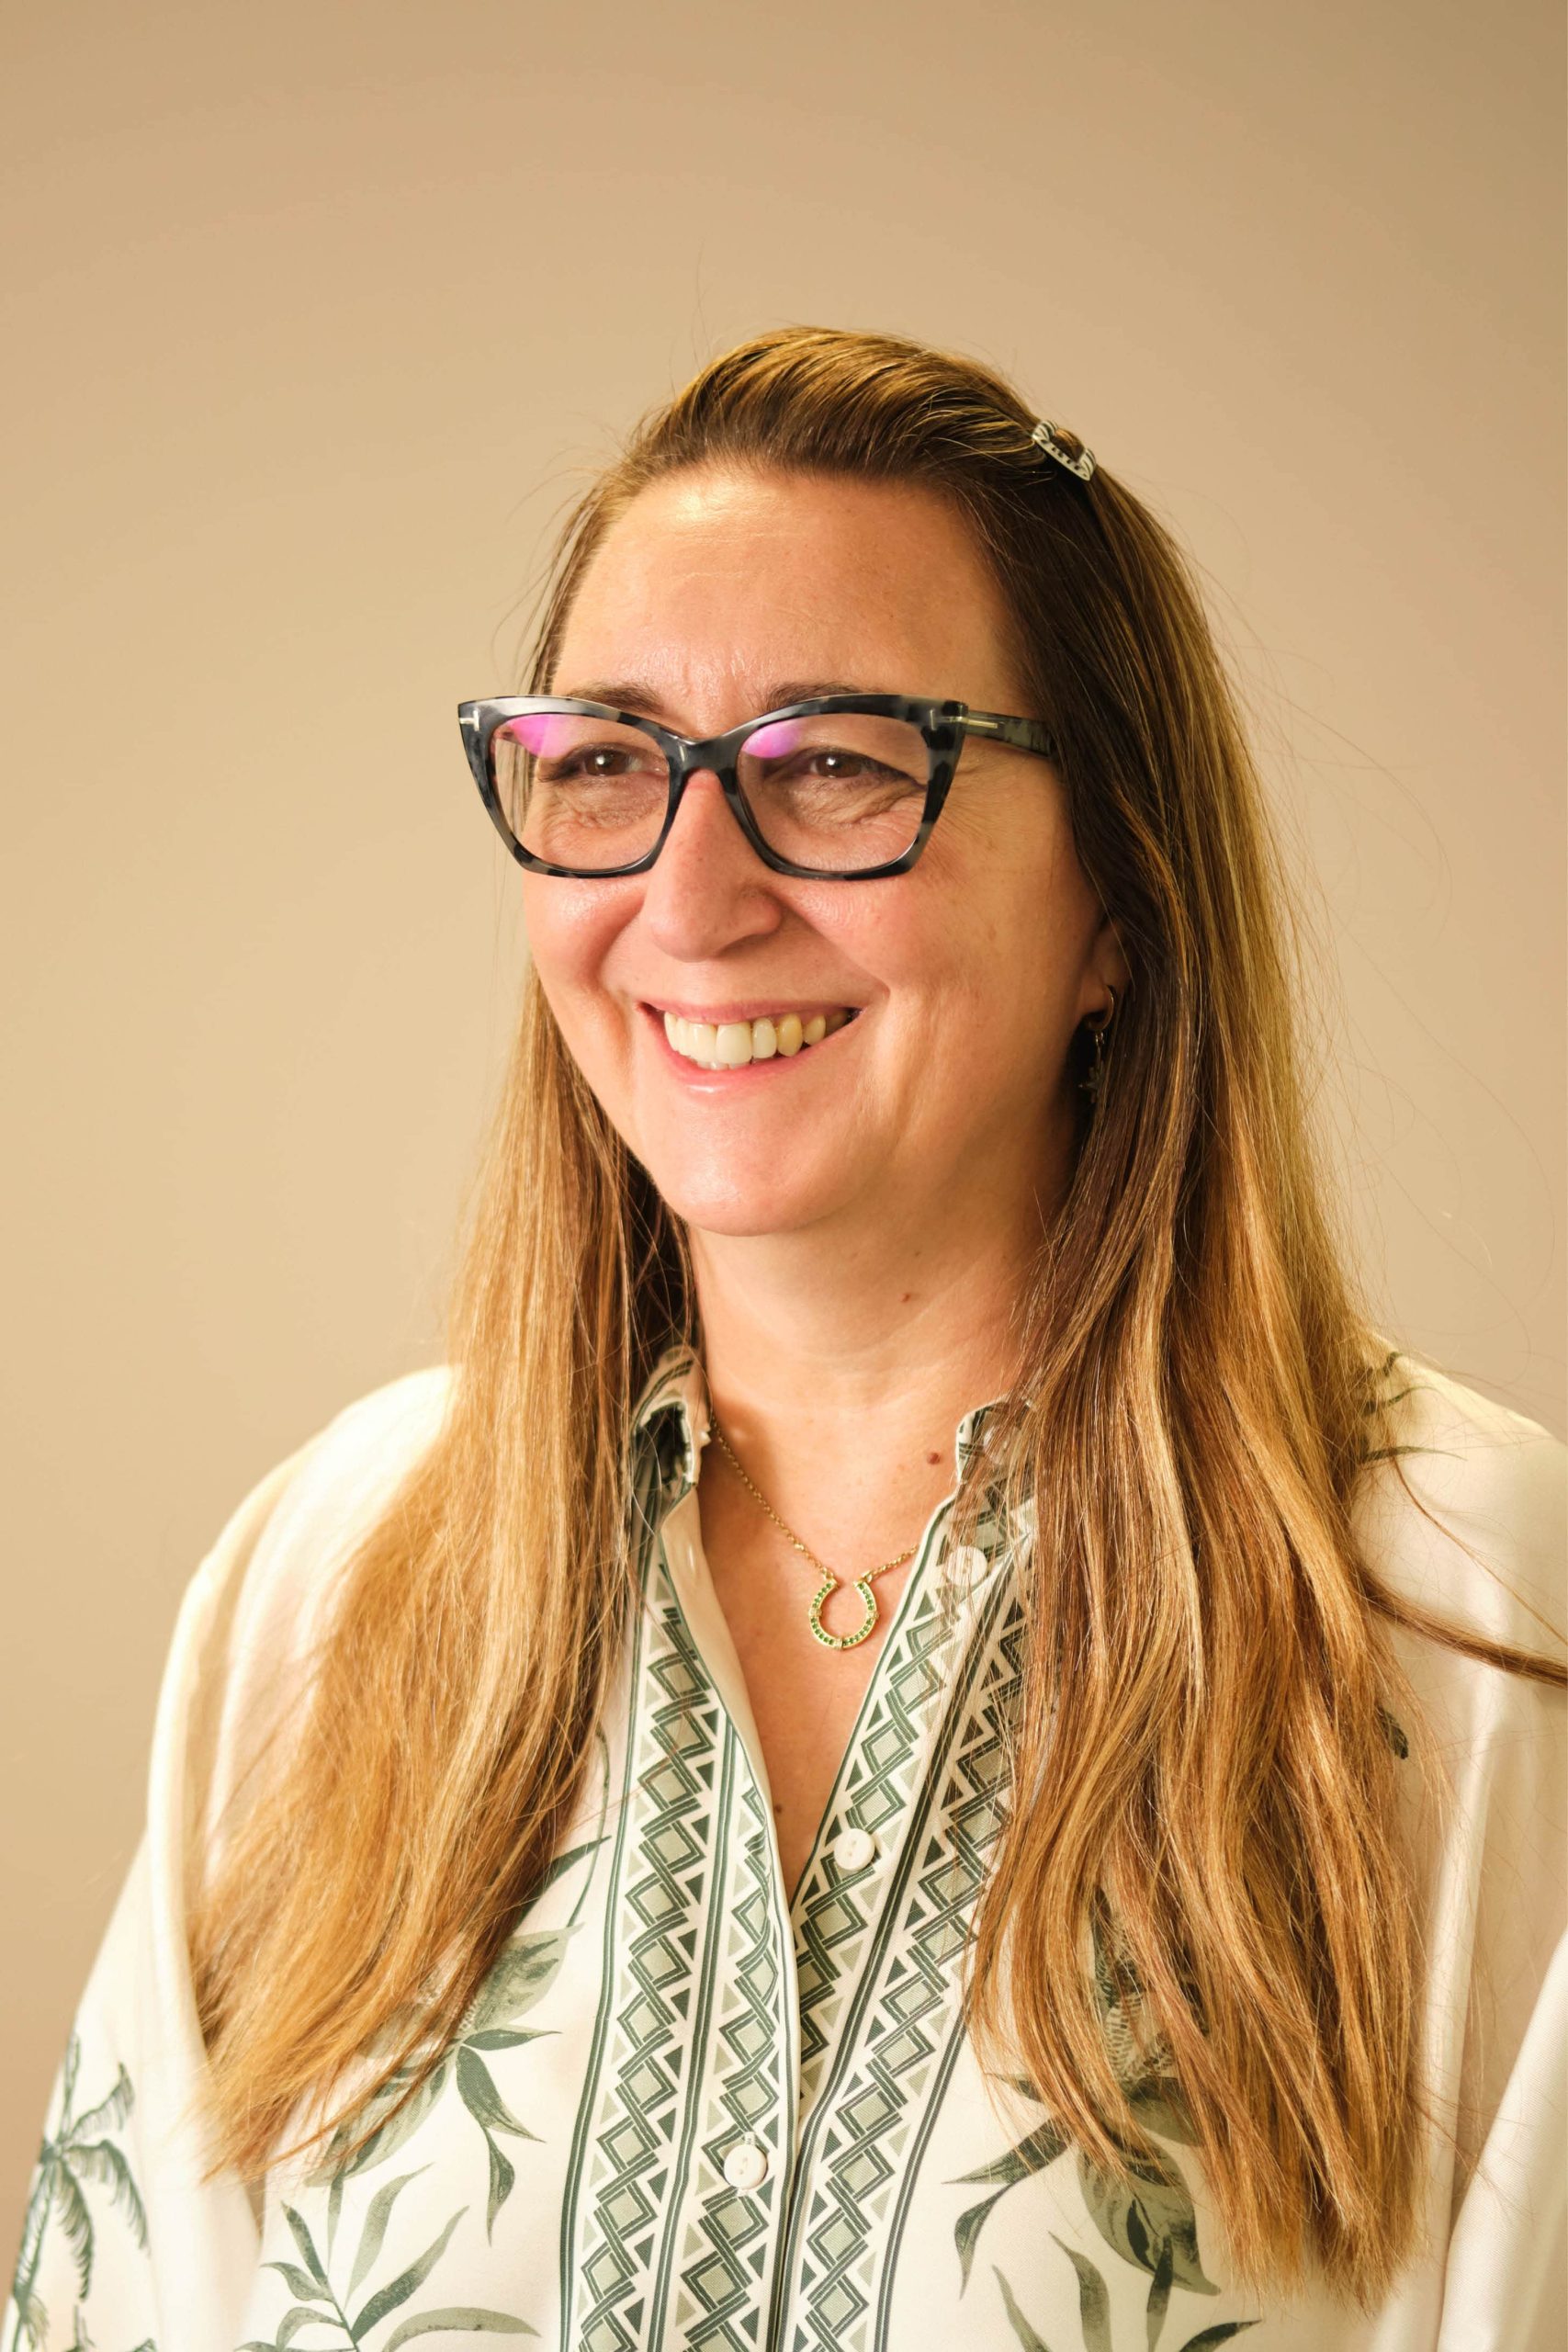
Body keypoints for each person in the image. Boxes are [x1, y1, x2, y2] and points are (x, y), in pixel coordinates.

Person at [6, 326, 1563, 2352]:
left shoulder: (1468, 1611)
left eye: (835, 761)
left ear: (1116, 896)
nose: (689, 889)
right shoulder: (327, 1580)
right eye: (607, 762)